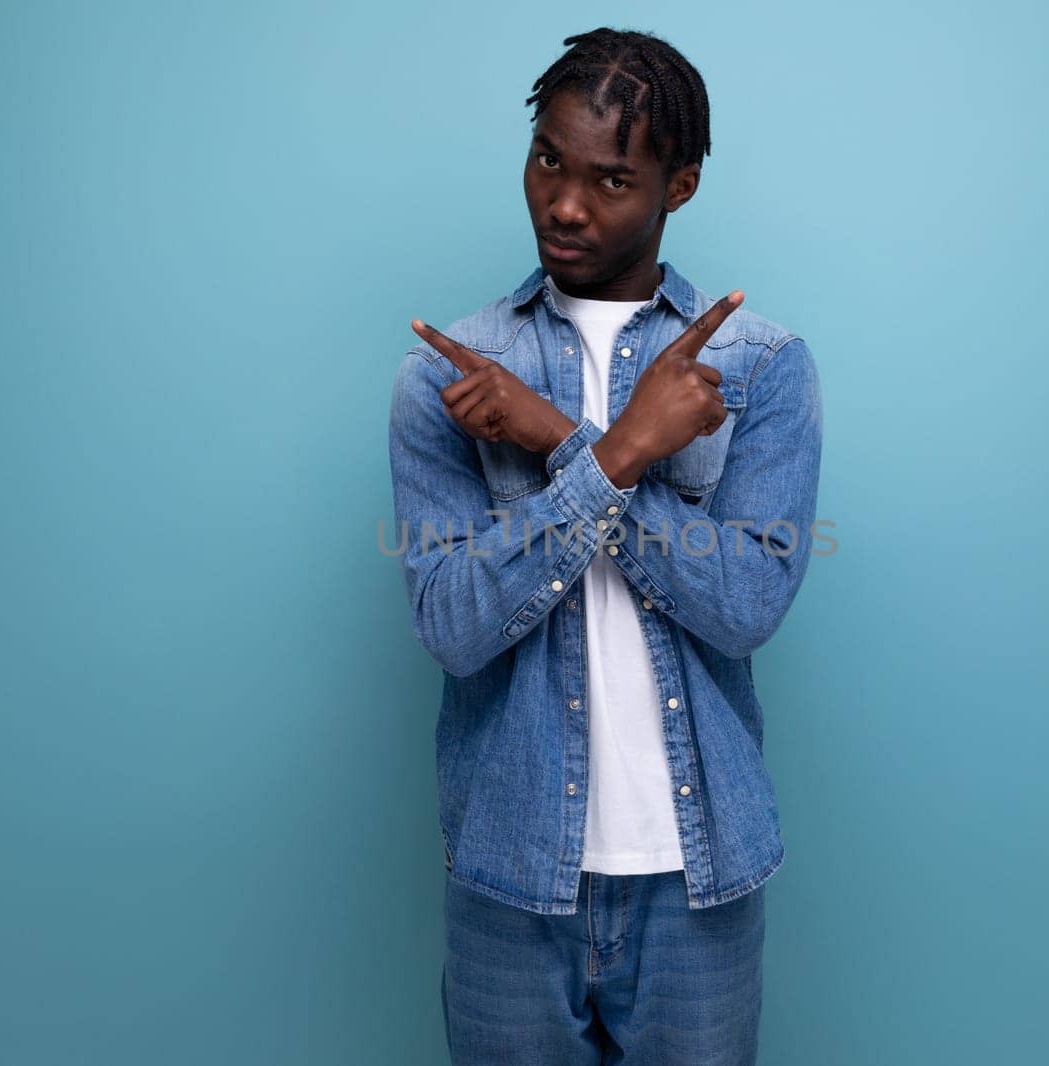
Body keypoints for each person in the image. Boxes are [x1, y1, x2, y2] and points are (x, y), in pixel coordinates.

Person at [387, 26, 824, 1065]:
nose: (565, 204)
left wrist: (557, 441)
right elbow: (450, 624)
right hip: (508, 875)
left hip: (699, 881)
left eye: (610, 179)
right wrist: (621, 451)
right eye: (547, 161)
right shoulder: (450, 377)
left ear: (679, 186)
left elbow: (746, 604)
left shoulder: (758, 370)